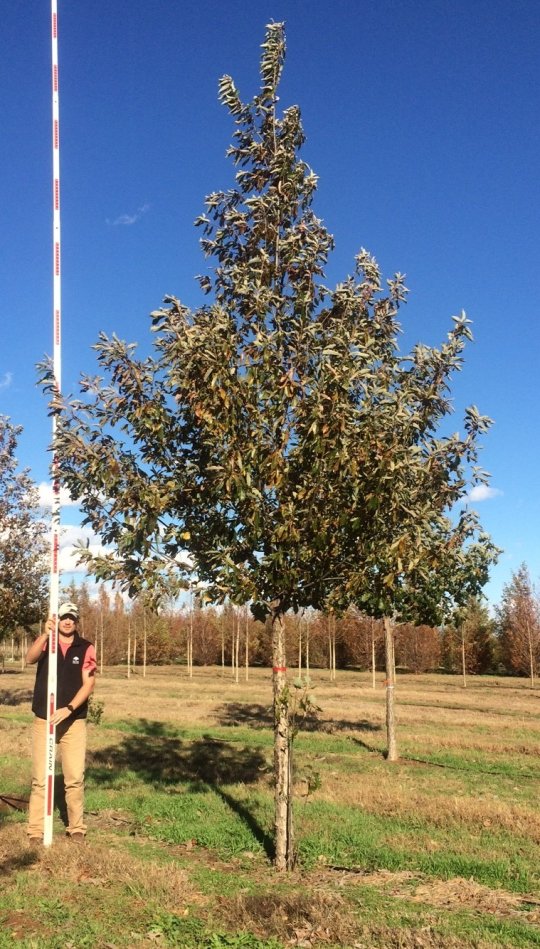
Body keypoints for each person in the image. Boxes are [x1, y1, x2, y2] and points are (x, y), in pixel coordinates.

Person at [26, 601, 96, 843]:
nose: (68, 621)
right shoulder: (48, 643)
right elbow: (29, 658)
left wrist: (69, 709)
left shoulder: (86, 647)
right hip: (44, 719)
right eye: (64, 617)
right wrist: (45, 634)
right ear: (58, 619)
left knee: (74, 777)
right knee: (40, 778)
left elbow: (88, 684)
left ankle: (76, 827)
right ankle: (36, 831)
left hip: (73, 721)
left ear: (77, 621)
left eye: (72, 618)